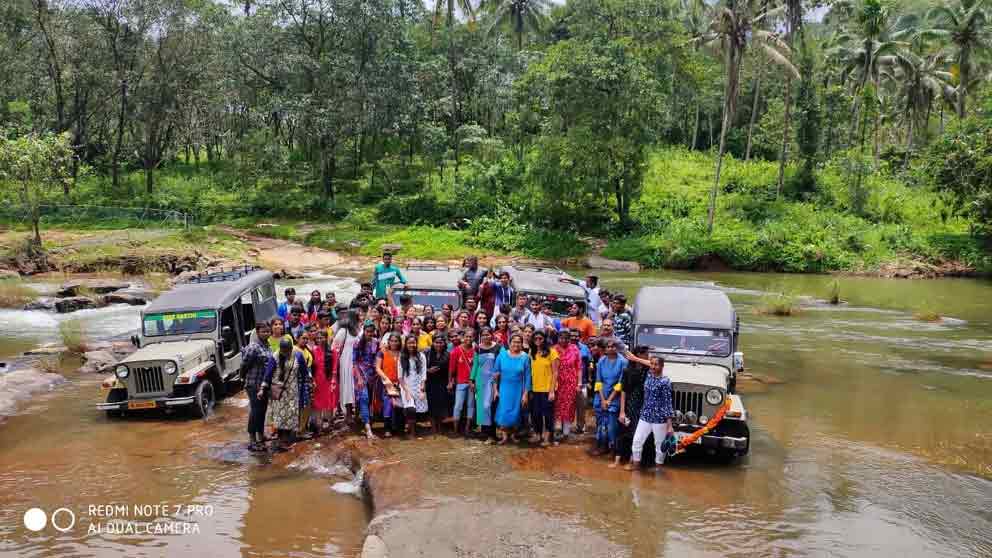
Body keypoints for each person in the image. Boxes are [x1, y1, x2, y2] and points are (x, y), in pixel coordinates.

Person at [625, 357, 675, 472]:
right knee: (637, 441)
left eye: (656, 365)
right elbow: (647, 363)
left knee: (659, 446)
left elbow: (667, 403)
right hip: (645, 416)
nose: (653, 366)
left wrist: (669, 425)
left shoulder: (665, 381)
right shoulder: (649, 375)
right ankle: (636, 467)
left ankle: (659, 469)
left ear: (662, 366)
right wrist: (634, 358)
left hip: (659, 419)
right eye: (651, 364)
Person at [262, 338, 307, 452]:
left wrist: (308, 382)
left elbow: (304, 372)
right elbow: (268, 374)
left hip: (293, 391)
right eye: (283, 351)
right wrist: (262, 388)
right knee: (280, 415)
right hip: (279, 392)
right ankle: (282, 441)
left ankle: (284, 439)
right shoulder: (275, 356)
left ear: (291, 349)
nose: (285, 353)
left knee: (291, 414)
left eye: (287, 351)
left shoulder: (298, 356)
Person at [493, 334, 532, 444]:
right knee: (504, 411)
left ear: (521, 344)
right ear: (509, 343)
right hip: (504, 388)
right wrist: (495, 390)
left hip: (518, 388)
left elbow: (528, 377)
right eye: (514, 342)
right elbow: (495, 373)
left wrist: (525, 394)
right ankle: (505, 436)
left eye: (518, 342)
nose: (516, 344)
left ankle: (513, 435)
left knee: (516, 412)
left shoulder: (525, 357)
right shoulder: (502, 355)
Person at [616, 346, 651, 467]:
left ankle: (632, 461)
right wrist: (621, 411)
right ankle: (619, 459)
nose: (648, 356)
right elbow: (623, 391)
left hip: (643, 406)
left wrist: (636, 358)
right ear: (639, 354)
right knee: (623, 432)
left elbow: (654, 363)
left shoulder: (648, 370)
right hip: (629, 405)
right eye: (646, 354)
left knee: (638, 434)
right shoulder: (627, 370)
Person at [242, 322, 274, 452]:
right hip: (253, 384)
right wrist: (242, 377)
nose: (266, 334)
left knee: (262, 411)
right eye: (263, 332)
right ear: (257, 332)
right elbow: (244, 364)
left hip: (264, 384)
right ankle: (252, 440)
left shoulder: (268, 346)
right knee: (255, 411)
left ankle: (261, 436)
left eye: (268, 331)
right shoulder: (253, 347)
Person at [593, 339, 627, 458]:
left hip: (615, 397)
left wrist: (609, 400)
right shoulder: (601, 361)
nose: (611, 348)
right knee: (601, 423)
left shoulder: (623, 362)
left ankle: (613, 448)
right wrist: (603, 400)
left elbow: (620, 384)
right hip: (601, 395)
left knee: (612, 425)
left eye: (613, 346)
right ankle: (602, 445)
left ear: (617, 348)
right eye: (608, 346)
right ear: (605, 349)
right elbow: (598, 381)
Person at [470, 327, 502, 443]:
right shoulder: (477, 348)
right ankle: (486, 433)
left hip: (492, 382)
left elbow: (501, 364)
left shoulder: (498, 348)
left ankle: (492, 435)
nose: (485, 337)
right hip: (480, 381)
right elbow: (475, 365)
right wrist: (472, 380)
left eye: (488, 334)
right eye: (483, 335)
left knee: (489, 407)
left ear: (492, 335)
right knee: (482, 408)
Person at [528, 331, 558, 447]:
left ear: (545, 339)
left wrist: (552, 391)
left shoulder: (552, 352)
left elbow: (555, 373)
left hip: (547, 389)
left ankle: (548, 436)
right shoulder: (532, 352)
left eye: (540, 338)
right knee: (536, 414)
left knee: (548, 414)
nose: (538, 341)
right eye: (535, 339)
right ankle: (538, 433)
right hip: (535, 389)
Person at [553, 329, 581, 443]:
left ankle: (566, 432)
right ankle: (557, 430)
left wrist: (579, 383)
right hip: (558, 382)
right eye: (561, 337)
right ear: (558, 338)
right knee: (557, 405)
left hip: (571, 382)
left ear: (569, 339)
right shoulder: (554, 349)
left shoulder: (574, 349)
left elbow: (579, 367)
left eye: (566, 338)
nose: (563, 340)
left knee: (569, 406)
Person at [332, 311, 360, 424]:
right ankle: (348, 413)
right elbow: (334, 347)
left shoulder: (357, 331)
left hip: (357, 362)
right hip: (346, 361)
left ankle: (356, 413)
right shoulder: (343, 331)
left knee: (356, 386)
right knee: (347, 386)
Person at [352, 323, 379, 439]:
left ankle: (359, 418)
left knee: (369, 400)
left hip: (372, 375)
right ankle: (368, 428)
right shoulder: (357, 343)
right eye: (367, 332)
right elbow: (354, 362)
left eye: (371, 332)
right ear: (364, 331)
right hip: (360, 373)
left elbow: (377, 358)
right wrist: (358, 377)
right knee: (364, 397)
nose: (369, 334)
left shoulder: (376, 343)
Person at [398, 335, 428, 437]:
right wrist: (406, 391)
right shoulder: (401, 357)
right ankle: (413, 432)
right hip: (406, 385)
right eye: (409, 343)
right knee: (410, 408)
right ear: (406, 344)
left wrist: (423, 390)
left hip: (418, 385)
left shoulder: (421, 356)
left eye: (413, 343)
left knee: (418, 410)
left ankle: (411, 427)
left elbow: (424, 374)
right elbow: (400, 377)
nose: (412, 345)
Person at [375, 333, 403, 437]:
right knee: (388, 405)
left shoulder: (402, 353)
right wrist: (386, 379)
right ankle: (387, 428)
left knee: (399, 405)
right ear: (389, 341)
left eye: (396, 341)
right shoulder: (382, 352)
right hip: (386, 383)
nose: (394, 343)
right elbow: (378, 368)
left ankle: (397, 427)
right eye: (392, 341)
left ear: (399, 342)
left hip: (400, 383)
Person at [448, 330, 475, 437]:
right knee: (458, 406)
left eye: (471, 337)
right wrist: (450, 382)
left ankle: (467, 429)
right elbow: (451, 369)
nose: (468, 339)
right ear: (463, 337)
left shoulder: (475, 351)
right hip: (460, 383)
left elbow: (476, 368)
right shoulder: (456, 351)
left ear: (473, 338)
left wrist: (473, 381)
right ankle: (455, 430)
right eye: (467, 337)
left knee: (470, 406)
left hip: (472, 383)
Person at [310, 330, 337, 435]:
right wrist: (312, 380)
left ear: (326, 338)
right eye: (318, 338)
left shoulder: (333, 351)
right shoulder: (313, 351)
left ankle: (329, 423)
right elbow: (312, 367)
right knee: (318, 403)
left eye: (322, 338)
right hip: (317, 380)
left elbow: (335, 366)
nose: (320, 340)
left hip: (329, 379)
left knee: (329, 401)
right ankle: (318, 425)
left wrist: (334, 379)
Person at [425, 335, 451, 434]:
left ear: (444, 343)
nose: (438, 344)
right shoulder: (427, 353)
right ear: (432, 343)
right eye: (436, 342)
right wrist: (428, 370)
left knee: (441, 405)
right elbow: (420, 368)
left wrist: (449, 382)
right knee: (431, 405)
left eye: (441, 342)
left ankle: (440, 426)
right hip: (430, 383)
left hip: (442, 383)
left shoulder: (448, 354)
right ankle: (433, 427)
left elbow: (450, 370)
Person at [294, 331, 315, 438]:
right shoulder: (295, 350)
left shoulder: (306, 350)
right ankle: (300, 431)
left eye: (307, 338)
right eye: (303, 338)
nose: (305, 340)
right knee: (302, 405)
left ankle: (303, 428)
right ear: (297, 339)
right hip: (299, 382)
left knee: (307, 405)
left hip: (307, 381)